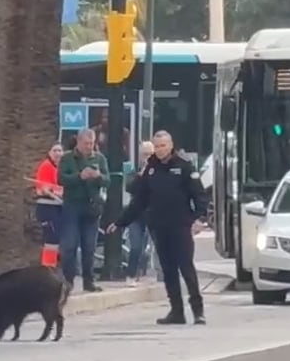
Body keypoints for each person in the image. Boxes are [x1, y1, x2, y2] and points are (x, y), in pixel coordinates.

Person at [108, 130, 207, 325]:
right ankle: (176, 311)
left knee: (186, 268)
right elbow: (139, 200)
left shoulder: (184, 166)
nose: (160, 150)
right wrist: (120, 222)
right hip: (159, 227)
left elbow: (199, 196)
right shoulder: (150, 168)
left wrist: (197, 219)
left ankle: (198, 311)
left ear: (170, 145)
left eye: (163, 146)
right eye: (157, 146)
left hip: (180, 226)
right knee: (168, 270)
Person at [58, 128, 110, 292]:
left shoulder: (99, 158)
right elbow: (60, 179)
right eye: (86, 143)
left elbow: (108, 180)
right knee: (70, 245)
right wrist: (79, 176)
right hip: (72, 205)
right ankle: (68, 282)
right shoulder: (67, 158)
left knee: (89, 246)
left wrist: (98, 176)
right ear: (79, 142)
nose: (89, 146)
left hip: (92, 207)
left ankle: (89, 281)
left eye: (92, 143)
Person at [124, 140, 154, 286]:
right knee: (136, 246)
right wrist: (140, 176)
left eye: (150, 154)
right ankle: (131, 274)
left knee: (153, 246)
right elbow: (129, 187)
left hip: (153, 212)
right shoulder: (134, 168)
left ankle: (149, 272)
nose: (147, 157)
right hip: (136, 214)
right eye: (145, 154)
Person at [34, 142, 65, 252]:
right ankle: (49, 264)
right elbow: (43, 189)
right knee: (52, 238)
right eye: (54, 150)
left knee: (56, 237)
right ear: (49, 153)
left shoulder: (61, 168)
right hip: (48, 207)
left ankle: (53, 263)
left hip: (58, 207)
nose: (57, 153)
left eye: (59, 150)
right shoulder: (46, 166)